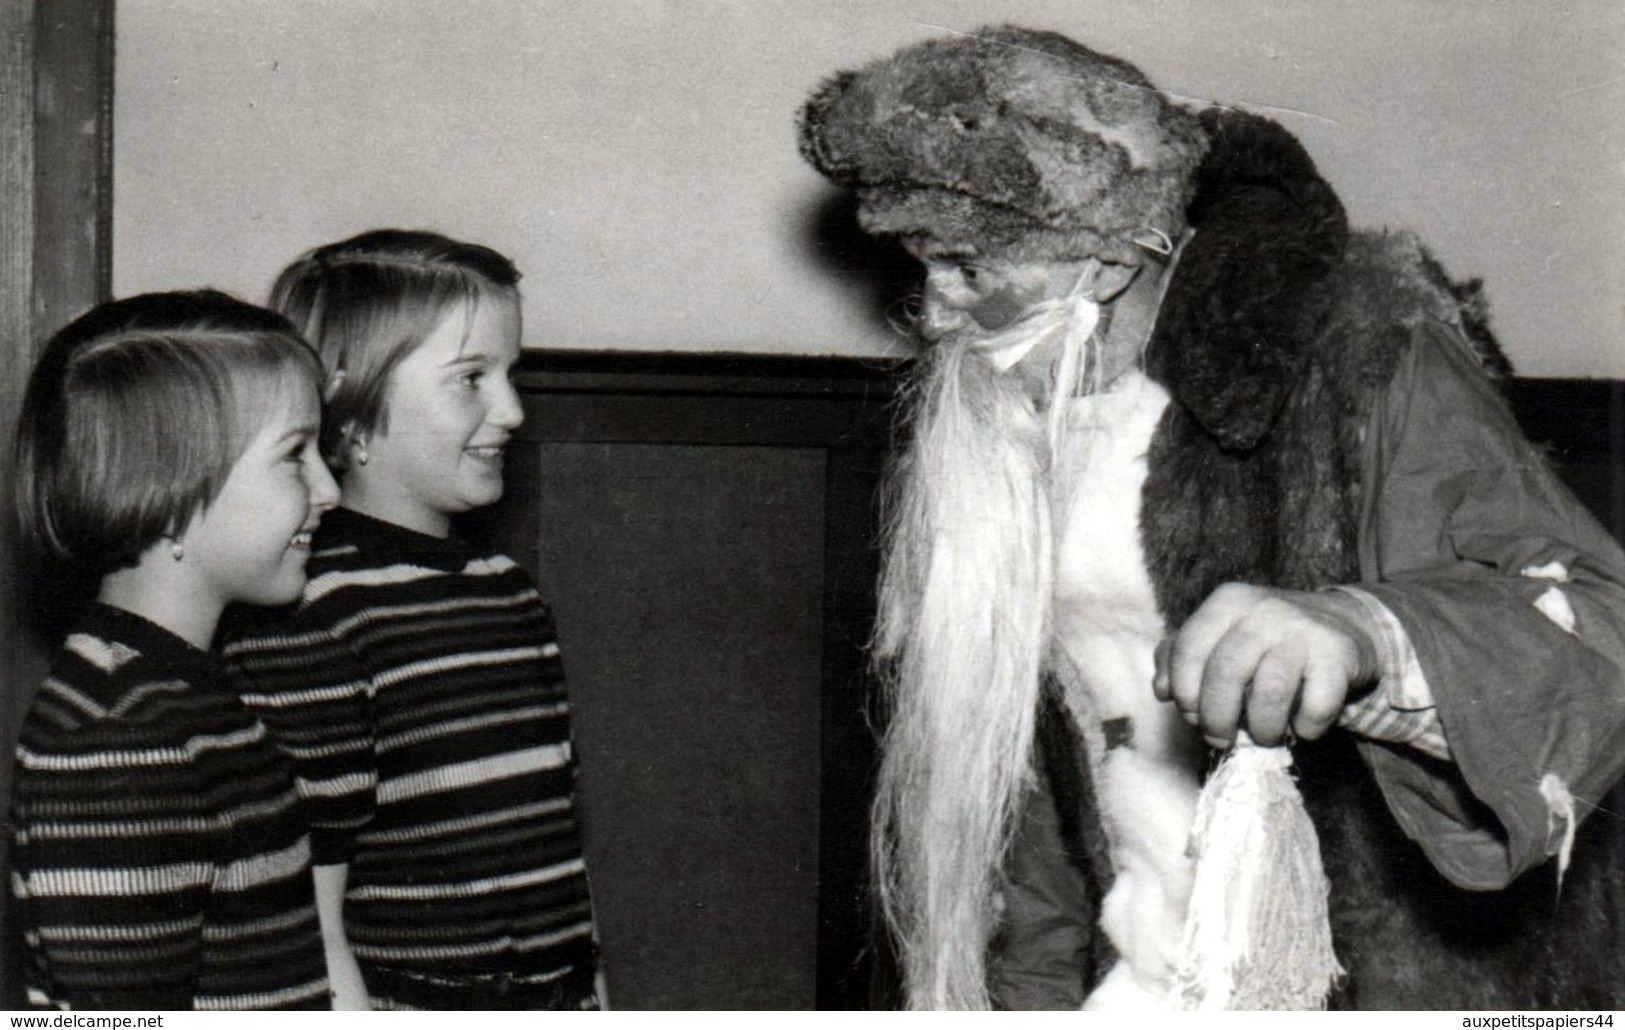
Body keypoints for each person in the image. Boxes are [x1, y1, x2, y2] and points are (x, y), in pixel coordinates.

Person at [798, 26, 1625, 1010]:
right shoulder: (989, 414)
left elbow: (1597, 629)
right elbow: (1029, 814)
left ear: (1102, 262)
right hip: (1144, 975)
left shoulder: (1353, 344)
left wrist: (1367, 629)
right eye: (918, 263)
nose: (933, 310)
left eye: (968, 269)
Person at [217, 229, 600, 1011]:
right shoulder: (308, 610)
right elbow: (309, 919)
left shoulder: (507, 591)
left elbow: (558, 858)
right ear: (348, 399)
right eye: (470, 379)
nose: (512, 409)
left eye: (510, 373)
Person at [9, 291, 340, 1009]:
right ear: (169, 493)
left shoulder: (186, 694)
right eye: (294, 456)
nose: (329, 488)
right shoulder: (118, 738)